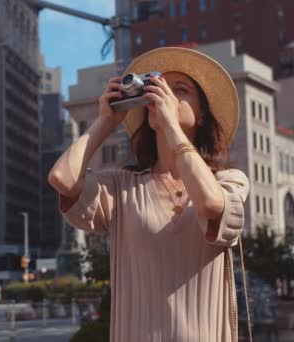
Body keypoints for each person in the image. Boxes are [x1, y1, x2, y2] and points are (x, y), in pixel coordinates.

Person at [49, 47, 249, 341]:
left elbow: (210, 203)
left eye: (180, 90)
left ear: (202, 115)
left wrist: (171, 127)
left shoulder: (228, 180)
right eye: (159, 87)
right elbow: (62, 179)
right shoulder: (121, 185)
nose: (165, 95)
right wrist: (105, 121)